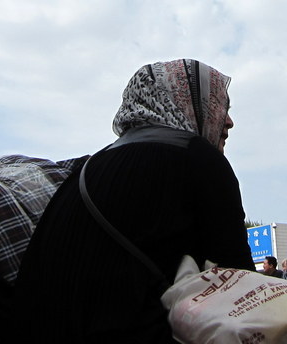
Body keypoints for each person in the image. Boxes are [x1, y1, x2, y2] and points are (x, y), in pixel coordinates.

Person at [13, 59, 255, 343]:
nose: (228, 121)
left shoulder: (88, 168)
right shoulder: (198, 157)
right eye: (218, 104)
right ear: (188, 103)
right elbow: (243, 286)